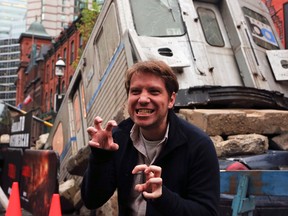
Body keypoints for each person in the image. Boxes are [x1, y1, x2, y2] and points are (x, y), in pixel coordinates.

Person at [81, 60, 220, 216]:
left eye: (154, 91)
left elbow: (207, 212)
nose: (143, 99)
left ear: (171, 100)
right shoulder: (118, 138)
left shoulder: (198, 145)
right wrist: (100, 157)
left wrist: (163, 197)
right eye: (135, 91)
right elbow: (92, 200)